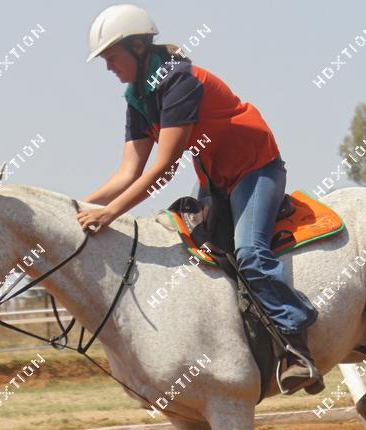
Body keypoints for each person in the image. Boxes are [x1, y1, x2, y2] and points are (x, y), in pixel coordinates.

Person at [75, 4, 321, 394]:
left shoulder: (179, 83)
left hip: (257, 170)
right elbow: (127, 172)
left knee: (250, 253)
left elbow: (161, 168)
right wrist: (77, 207)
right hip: (216, 179)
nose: (108, 67)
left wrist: (110, 214)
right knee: (190, 257)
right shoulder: (138, 96)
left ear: (138, 48)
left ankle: (297, 349)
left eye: (111, 56)